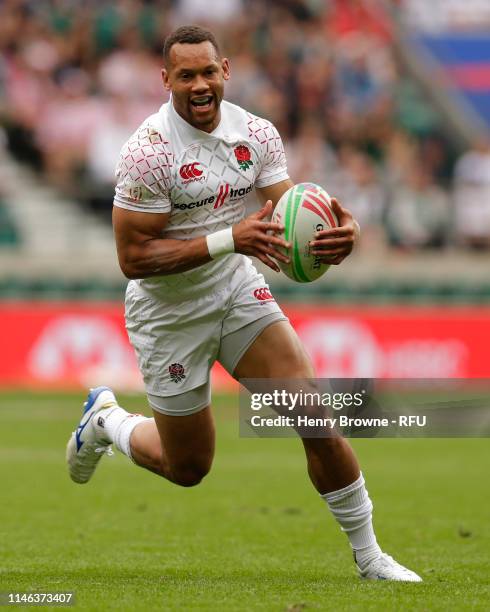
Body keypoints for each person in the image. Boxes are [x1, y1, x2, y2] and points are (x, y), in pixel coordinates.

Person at [66, 25, 421, 582]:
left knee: (317, 419)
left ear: (225, 71)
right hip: (168, 313)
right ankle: (107, 420)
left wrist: (339, 229)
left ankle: (371, 557)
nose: (200, 84)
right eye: (186, 75)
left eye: (209, 71)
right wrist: (232, 237)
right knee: (188, 468)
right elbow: (133, 258)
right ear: (166, 81)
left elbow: (294, 207)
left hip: (235, 291)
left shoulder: (255, 133)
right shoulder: (148, 152)